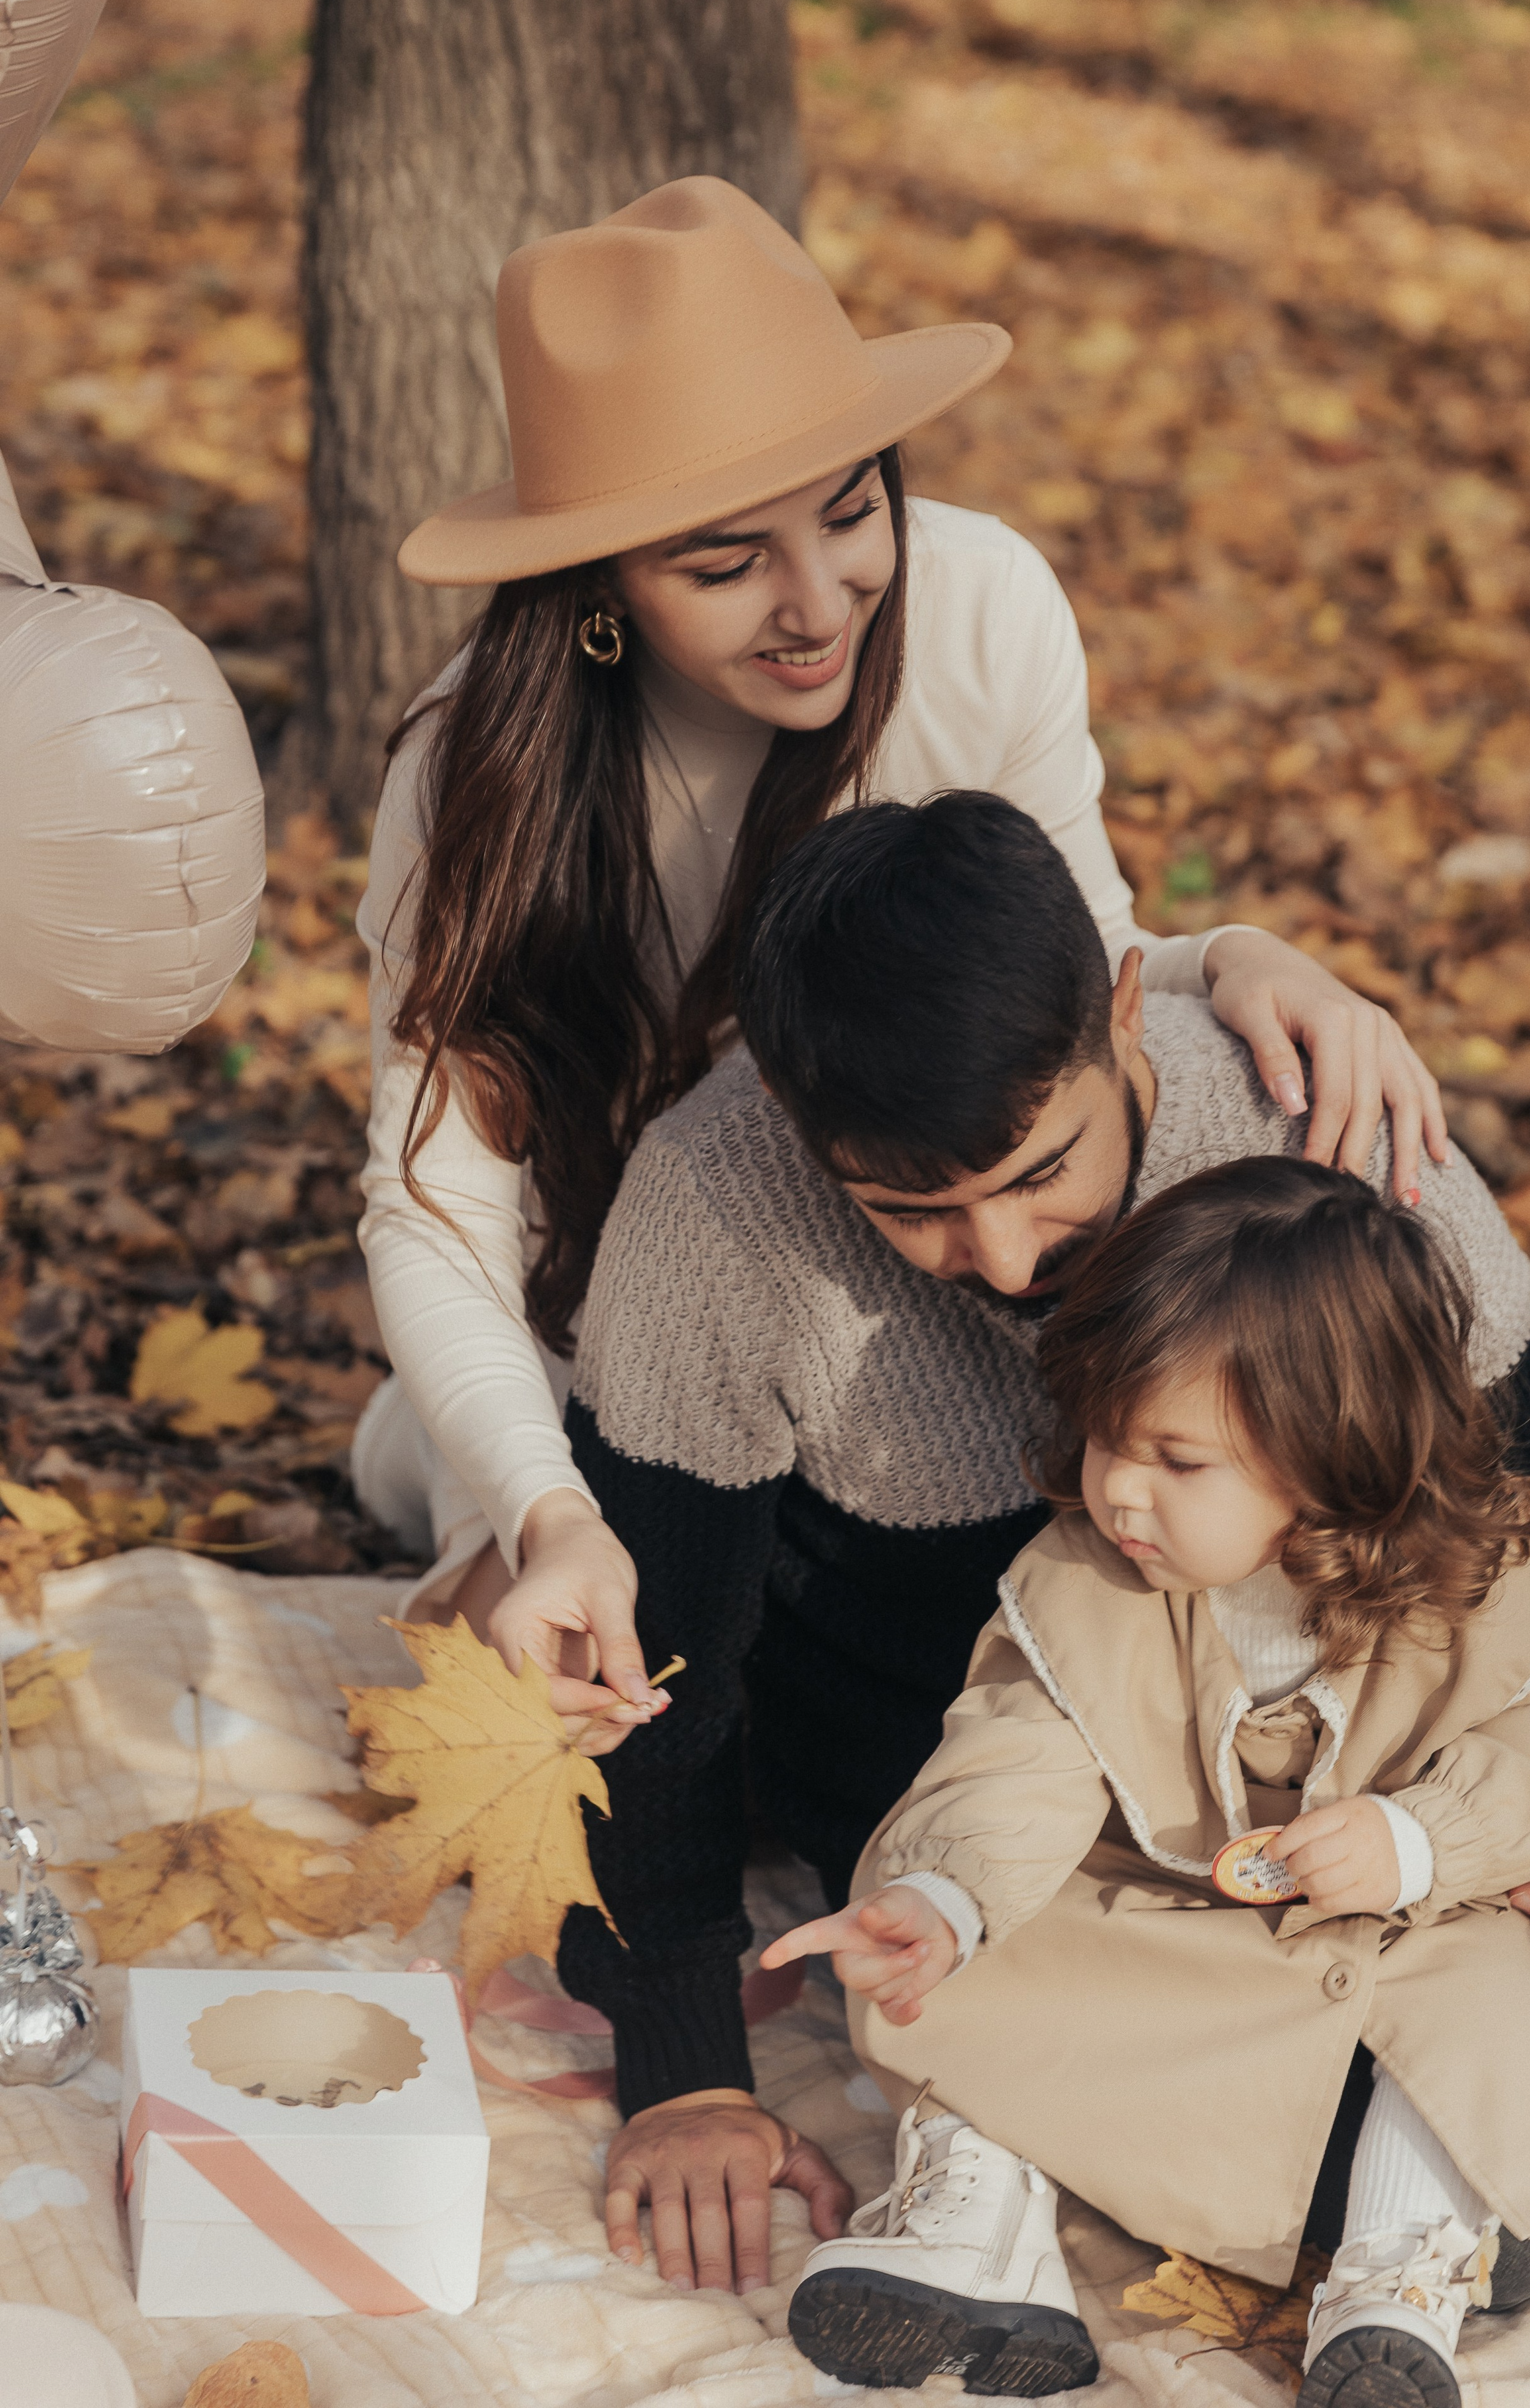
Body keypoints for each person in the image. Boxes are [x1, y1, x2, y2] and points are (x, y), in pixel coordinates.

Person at [554, 792, 1530, 2295]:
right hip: (961, 1762)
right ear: (785, 1111)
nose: (1005, 1259)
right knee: (974, 1980)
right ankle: (997, 2226)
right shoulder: (708, 1206)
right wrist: (683, 2060)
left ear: (1125, 1007)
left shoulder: (1307, 1120)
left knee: (1489, 1976)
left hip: (1357, 1773)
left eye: (1043, 1170)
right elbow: (656, 1670)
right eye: (910, 1210)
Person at [348, 172, 1449, 1738]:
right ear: (597, 579)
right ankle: (429, 1450)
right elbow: (437, 1195)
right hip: (632, 1306)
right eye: (724, 564)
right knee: (589, 1705)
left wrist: (1241, 954)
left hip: (924, 1267)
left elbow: (1069, 976)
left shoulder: (981, 606)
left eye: (852, 511)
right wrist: (543, 1505)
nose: (815, 608)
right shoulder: (476, 776)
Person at [763, 1158, 1530, 2406]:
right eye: (1103, 1438)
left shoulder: (1504, 1582)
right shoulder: (1086, 1578)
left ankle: (1395, 2277)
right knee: (989, 1960)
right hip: (1181, 1955)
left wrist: (1419, 1839)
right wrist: (947, 1898)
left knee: (1499, 1995)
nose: (1118, 1488)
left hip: (1412, 1948)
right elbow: (1017, 1753)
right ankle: (977, 2229)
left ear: (1333, 1455)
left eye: (1177, 1460)